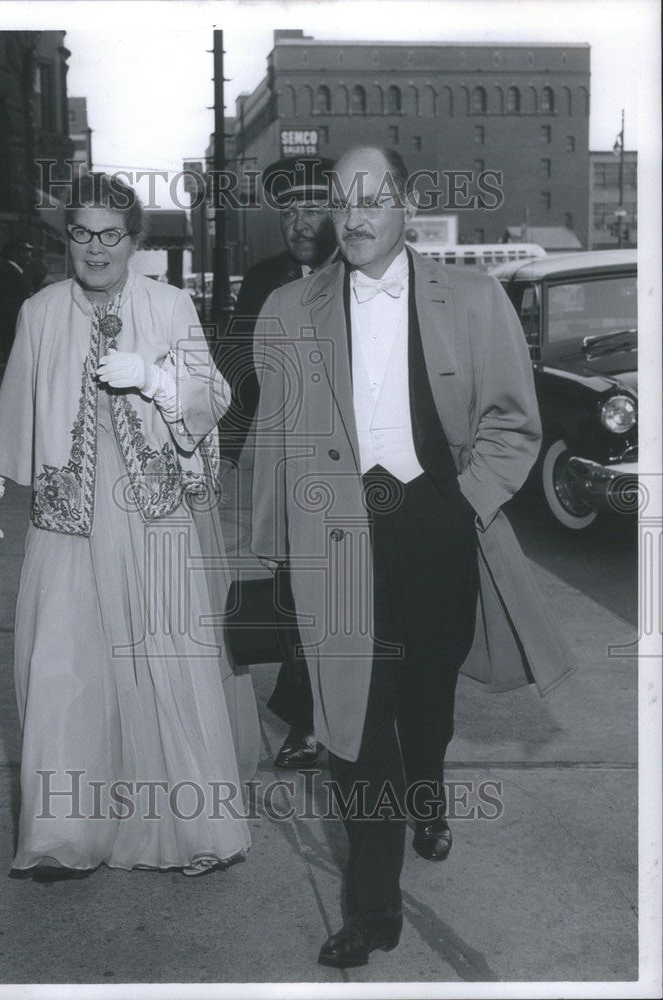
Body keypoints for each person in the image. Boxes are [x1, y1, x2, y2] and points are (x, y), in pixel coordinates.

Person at [250, 146, 573, 967]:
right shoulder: (289, 308)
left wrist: (463, 501)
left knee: (425, 696)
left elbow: (512, 424)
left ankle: (427, 791)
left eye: (373, 199)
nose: (353, 218)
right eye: (341, 201)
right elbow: (277, 440)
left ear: (406, 206)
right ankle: (372, 908)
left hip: (436, 525)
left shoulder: (471, 298)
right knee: (355, 723)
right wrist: (282, 548)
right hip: (336, 538)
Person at [0, 173, 259, 882]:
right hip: (68, 517)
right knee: (64, 665)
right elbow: (16, 401)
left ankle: (193, 827)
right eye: (80, 233)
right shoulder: (39, 311)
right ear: (64, 238)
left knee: (168, 662)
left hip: (151, 515)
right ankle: (64, 834)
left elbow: (213, 395)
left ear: (134, 241)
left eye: (110, 235)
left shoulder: (168, 305)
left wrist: (157, 382)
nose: (94, 249)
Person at [217, 156, 336, 772]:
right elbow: (240, 373)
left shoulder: (364, 273)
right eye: (288, 211)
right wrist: (224, 455)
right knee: (292, 592)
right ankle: (307, 719)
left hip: (356, 474)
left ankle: (335, 713)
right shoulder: (264, 280)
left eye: (313, 207)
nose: (298, 222)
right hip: (288, 472)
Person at [0, 239, 34, 360]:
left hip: (14, 331)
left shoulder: (15, 272)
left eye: (29, 252)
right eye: (24, 251)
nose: (28, 256)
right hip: (13, 332)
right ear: (13, 253)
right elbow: (11, 307)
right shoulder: (9, 274)